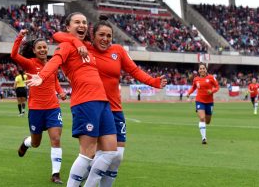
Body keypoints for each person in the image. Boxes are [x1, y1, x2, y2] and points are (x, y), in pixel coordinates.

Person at [53, 17, 167, 186]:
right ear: (93, 36)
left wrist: (153, 81)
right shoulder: (86, 48)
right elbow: (58, 35)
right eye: (101, 35)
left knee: (116, 156)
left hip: (114, 108)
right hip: (91, 105)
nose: (105, 39)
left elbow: (134, 70)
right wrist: (77, 43)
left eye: (109, 35)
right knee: (95, 153)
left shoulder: (118, 51)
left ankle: (89, 176)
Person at [26, 12, 118, 187]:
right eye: (77, 22)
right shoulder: (66, 46)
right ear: (68, 27)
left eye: (84, 22)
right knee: (87, 153)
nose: (82, 25)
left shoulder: (88, 46)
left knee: (110, 152)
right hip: (85, 102)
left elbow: (102, 42)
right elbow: (56, 57)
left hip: (102, 101)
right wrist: (43, 76)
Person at [11, 29, 67, 184]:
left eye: (44, 47)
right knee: (36, 143)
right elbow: (14, 55)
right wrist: (20, 36)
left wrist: (61, 92)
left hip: (53, 108)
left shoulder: (52, 65)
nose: (43, 49)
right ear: (34, 51)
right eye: (39, 48)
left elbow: (54, 81)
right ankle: (26, 143)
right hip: (36, 109)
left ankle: (55, 174)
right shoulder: (30, 64)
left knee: (55, 139)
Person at [187, 63, 219, 144]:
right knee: (202, 118)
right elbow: (193, 87)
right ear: (198, 70)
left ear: (206, 69)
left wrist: (212, 91)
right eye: (200, 68)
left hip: (209, 102)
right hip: (199, 100)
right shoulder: (196, 79)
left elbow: (217, 87)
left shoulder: (211, 78)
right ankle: (204, 138)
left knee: (207, 121)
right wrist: (189, 93)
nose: (202, 70)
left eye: (203, 68)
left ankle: (200, 113)